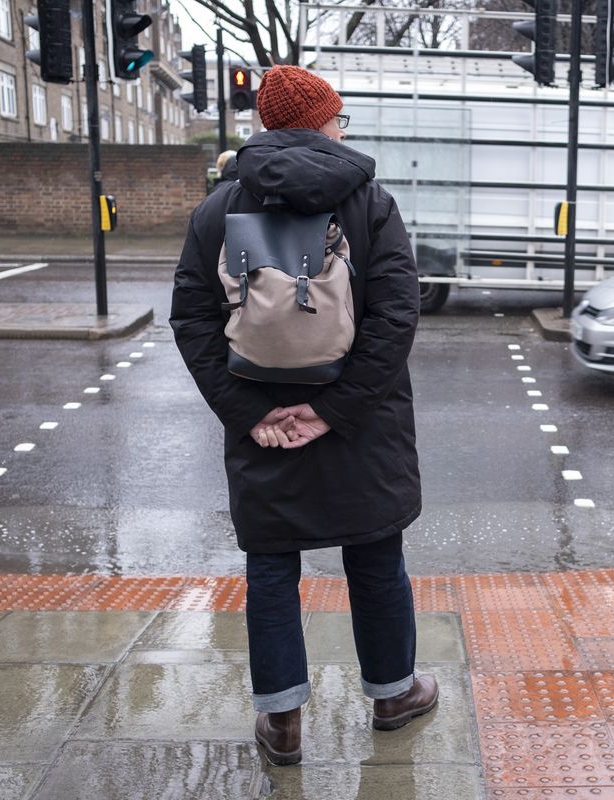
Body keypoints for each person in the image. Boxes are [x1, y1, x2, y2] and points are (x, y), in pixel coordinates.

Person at [170, 64, 435, 767]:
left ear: (263, 126)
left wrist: (248, 413)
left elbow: (192, 321)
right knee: (376, 558)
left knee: (271, 567)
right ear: (319, 123)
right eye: (337, 116)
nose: (343, 128)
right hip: (362, 426)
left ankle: (282, 721)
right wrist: (332, 410)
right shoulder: (370, 204)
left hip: (263, 420)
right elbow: (395, 319)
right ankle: (394, 694)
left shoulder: (217, 209)